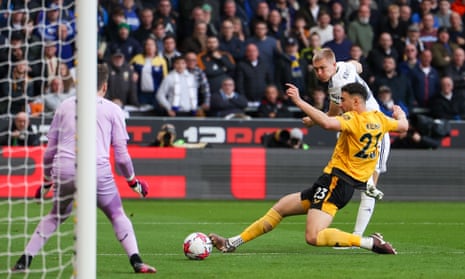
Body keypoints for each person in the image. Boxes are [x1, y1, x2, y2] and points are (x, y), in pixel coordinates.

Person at [209, 82, 408, 254]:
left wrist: (299, 102)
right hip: (337, 183)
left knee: (313, 236)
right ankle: (231, 243)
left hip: (336, 183)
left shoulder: (353, 119)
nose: (340, 104)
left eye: (344, 100)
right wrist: (401, 115)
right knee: (281, 207)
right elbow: (403, 127)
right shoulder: (379, 119)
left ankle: (369, 242)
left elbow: (327, 123)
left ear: (356, 102)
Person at [11, 64, 156, 274]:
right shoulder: (113, 110)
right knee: (116, 214)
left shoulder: (65, 106)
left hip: (65, 169)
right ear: (104, 87)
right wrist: (133, 181)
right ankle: (136, 261)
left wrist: (46, 182)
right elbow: (122, 156)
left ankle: (24, 260)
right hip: (98, 171)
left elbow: (49, 151)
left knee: (56, 215)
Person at [303, 48, 390, 238]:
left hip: (375, 130)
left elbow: (332, 114)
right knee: (363, 180)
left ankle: (358, 233)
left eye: (322, 68)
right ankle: (365, 186)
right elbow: (357, 65)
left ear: (333, 65)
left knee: (369, 184)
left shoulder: (337, 85)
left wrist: (313, 120)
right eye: (316, 69)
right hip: (357, 130)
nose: (319, 73)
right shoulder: (344, 66)